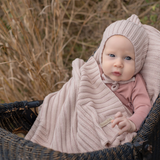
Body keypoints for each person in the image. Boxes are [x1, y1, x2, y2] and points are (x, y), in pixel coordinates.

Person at [25, 14, 152, 153]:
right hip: (82, 119)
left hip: (111, 125)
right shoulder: (92, 72)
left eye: (127, 58)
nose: (118, 63)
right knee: (67, 135)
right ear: (102, 54)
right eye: (112, 55)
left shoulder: (135, 82)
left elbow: (144, 106)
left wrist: (132, 123)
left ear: (138, 62)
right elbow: (73, 93)